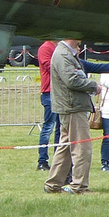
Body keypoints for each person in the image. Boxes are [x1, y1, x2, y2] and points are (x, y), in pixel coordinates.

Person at [44, 38, 99, 194]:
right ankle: (79, 186)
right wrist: (94, 86)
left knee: (66, 148)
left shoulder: (67, 53)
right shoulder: (63, 54)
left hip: (71, 106)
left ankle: (53, 184)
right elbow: (72, 80)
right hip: (72, 106)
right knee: (82, 148)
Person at [36, 40, 60, 171]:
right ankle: (42, 160)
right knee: (49, 126)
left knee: (61, 128)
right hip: (49, 93)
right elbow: (49, 66)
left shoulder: (60, 47)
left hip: (60, 93)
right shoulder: (46, 47)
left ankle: (59, 160)